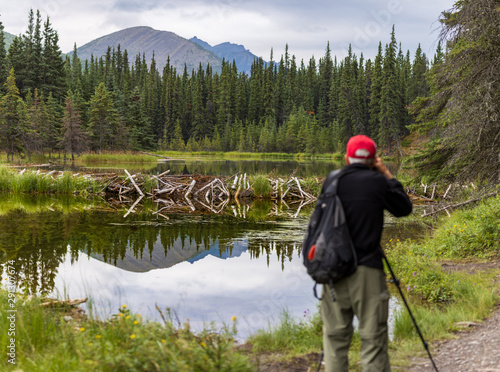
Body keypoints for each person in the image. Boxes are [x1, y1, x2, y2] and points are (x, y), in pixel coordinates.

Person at [320, 134, 412, 372]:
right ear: (373, 159)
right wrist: (386, 173)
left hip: (334, 270)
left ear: (346, 157)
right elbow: (404, 208)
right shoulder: (378, 182)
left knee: (335, 341)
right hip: (368, 271)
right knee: (373, 341)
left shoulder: (332, 181)